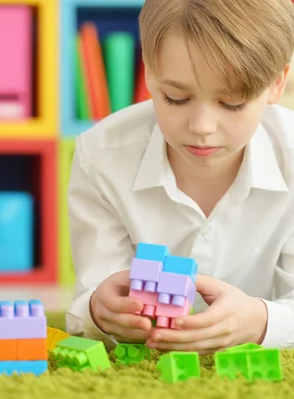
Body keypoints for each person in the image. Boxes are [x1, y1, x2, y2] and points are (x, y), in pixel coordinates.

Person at [65, 0, 294, 354]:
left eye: (231, 103)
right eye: (175, 98)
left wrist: (260, 320)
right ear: (148, 72)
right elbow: (92, 294)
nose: (202, 128)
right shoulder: (101, 158)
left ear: (276, 83)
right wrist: (101, 308)